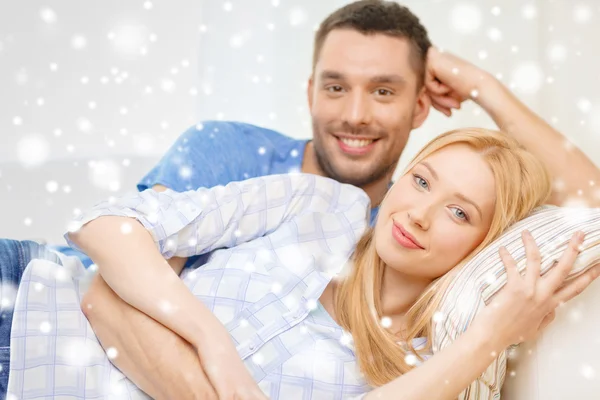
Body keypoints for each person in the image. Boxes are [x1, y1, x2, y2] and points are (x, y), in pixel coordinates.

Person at [1, 0, 600, 395]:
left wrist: (483, 87)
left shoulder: (411, 338)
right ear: (310, 91)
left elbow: (589, 205)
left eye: (385, 90)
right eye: (337, 87)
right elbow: (111, 275)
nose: (356, 114)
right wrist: (212, 343)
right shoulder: (280, 183)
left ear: (420, 106)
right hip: (35, 300)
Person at [6, 128, 600, 400]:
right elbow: (105, 226)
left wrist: (491, 337)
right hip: (26, 302)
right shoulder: (326, 206)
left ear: (484, 247)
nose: (418, 213)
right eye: (420, 180)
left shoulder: (417, 371)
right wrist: (212, 343)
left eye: (459, 213)